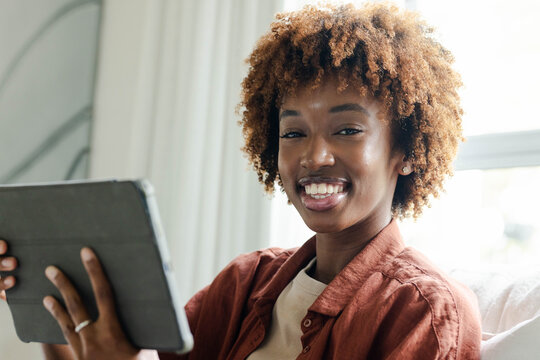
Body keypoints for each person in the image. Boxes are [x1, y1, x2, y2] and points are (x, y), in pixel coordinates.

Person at [0, 2, 482, 359]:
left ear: (406, 151)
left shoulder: (423, 312)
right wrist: (44, 301)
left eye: (348, 129)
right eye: (293, 132)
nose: (314, 155)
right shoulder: (243, 285)